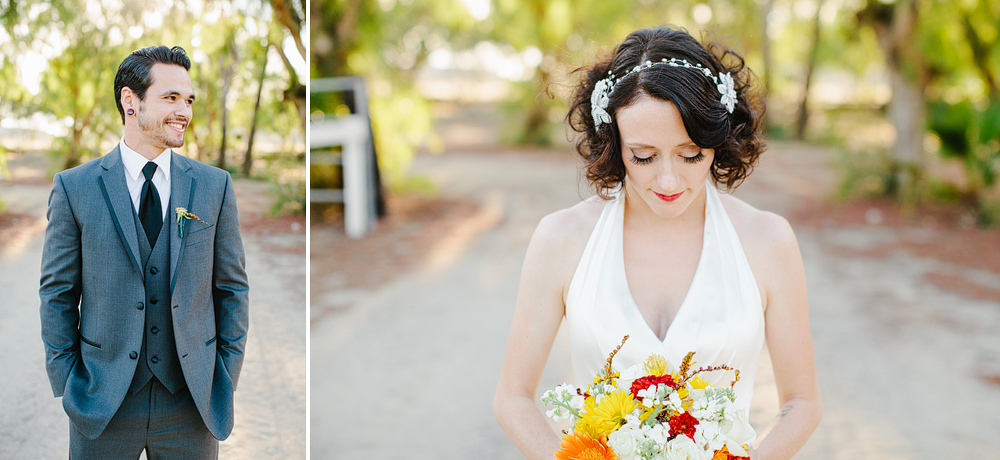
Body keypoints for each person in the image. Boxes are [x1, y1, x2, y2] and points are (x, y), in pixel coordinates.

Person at [493, 27, 821, 460]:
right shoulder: (560, 240)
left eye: (691, 155)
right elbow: (512, 397)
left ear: (717, 142)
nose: (669, 181)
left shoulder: (768, 240)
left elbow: (802, 402)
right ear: (613, 143)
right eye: (643, 156)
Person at [39, 45, 250, 459]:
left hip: (191, 402)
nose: (184, 111)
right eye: (170, 98)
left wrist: (223, 373)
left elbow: (233, 289)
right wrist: (69, 382)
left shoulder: (214, 186)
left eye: (188, 100)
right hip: (102, 403)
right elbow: (57, 294)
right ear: (130, 102)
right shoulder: (74, 188)